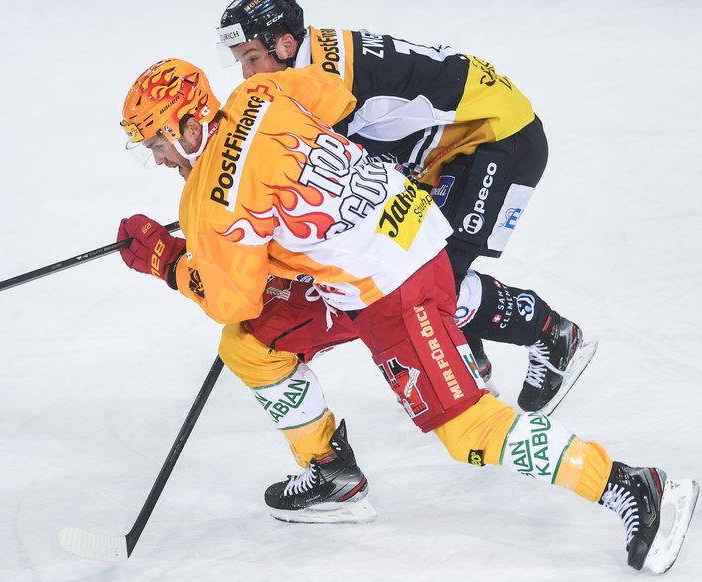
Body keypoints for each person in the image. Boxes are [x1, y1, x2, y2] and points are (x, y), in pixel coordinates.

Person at [113, 56, 698, 573]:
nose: (161, 160)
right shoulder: (258, 95)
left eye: (158, 144)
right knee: (249, 344)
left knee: (468, 431)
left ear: (188, 125)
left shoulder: (208, 205)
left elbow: (230, 298)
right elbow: (335, 96)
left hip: (393, 288)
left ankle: (633, 486)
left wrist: (169, 260)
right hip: (400, 232)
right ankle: (331, 474)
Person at [210, 0, 597, 514]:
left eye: (252, 56)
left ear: (285, 44)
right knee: (419, 266)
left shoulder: (325, 82)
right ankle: (471, 354)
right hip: (448, 146)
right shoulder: (308, 63)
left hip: (496, 137)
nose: (246, 72)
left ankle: (551, 333)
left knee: (429, 272)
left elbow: (318, 175)